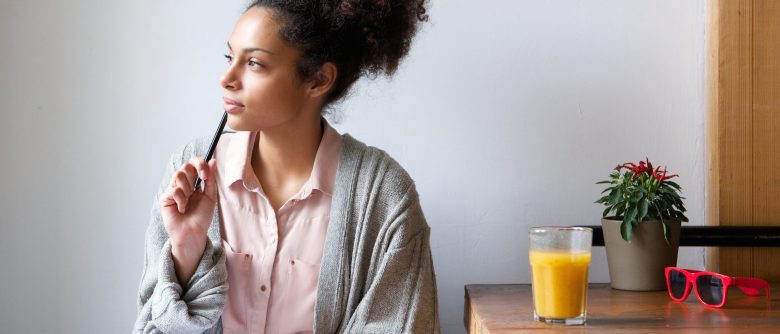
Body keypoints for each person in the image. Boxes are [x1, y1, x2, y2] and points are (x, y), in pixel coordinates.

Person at [134, 1, 439, 333]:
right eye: (229, 57)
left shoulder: (383, 197)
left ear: (318, 80)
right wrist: (187, 252)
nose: (227, 78)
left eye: (254, 63)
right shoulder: (191, 170)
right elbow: (151, 326)